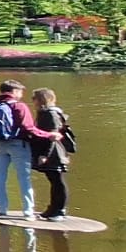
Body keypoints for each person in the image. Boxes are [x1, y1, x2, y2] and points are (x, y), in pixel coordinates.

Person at [0, 79, 58, 218]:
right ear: (14, 91)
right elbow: (28, 128)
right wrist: (49, 135)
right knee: (24, 178)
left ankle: (1, 210)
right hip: (18, 145)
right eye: (21, 91)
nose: (22, 94)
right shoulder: (19, 106)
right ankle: (28, 212)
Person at [29, 87, 76, 221]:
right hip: (53, 152)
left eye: (34, 98)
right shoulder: (47, 112)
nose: (33, 101)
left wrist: (45, 155)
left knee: (58, 181)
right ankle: (52, 209)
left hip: (54, 153)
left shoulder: (49, 113)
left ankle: (59, 211)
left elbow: (52, 136)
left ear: (41, 99)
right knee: (54, 180)